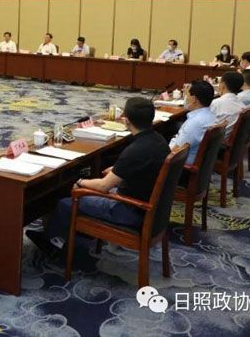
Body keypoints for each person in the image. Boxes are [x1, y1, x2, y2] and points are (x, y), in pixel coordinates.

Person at [25, 98, 170, 258]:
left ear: (127, 121)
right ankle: (80, 235)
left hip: (129, 211)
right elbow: (142, 167)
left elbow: (103, 186)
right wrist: (116, 170)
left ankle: (54, 244)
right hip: (153, 209)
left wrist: (80, 182)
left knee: (66, 202)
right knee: (86, 189)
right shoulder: (159, 141)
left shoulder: (135, 150)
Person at [169, 80, 216, 165]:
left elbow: (175, 152)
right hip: (199, 159)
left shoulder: (194, 123)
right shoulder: (211, 115)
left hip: (181, 165)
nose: (185, 98)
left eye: (187, 95)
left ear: (194, 99)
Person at [211, 71, 245, 137]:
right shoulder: (242, 105)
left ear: (223, 84)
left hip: (217, 140)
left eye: (219, 82)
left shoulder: (216, 103)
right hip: (231, 138)